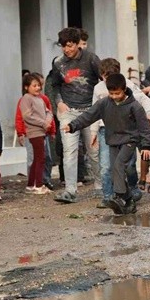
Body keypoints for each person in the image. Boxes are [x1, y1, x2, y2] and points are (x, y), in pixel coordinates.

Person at [64, 74, 150, 215]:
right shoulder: (104, 103)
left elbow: (144, 127)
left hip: (129, 141)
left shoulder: (135, 106)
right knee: (113, 171)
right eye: (111, 93)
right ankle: (128, 199)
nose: (114, 96)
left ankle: (118, 196)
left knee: (118, 165)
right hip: (113, 141)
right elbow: (89, 116)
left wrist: (147, 146)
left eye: (117, 93)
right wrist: (73, 125)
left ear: (124, 89)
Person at [93, 58, 150, 208]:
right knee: (107, 165)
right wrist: (93, 132)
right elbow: (94, 110)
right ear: (102, 76)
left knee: (128, 165)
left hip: (126, 131)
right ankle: (109, 196)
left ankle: (132, 188)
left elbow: (143, 99)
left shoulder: (128, 85)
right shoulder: (98, 89)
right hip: (105, 130)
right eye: (106, 76)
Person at [51, 27, 101, 203]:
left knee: (94, 151)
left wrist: (100, 106)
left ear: (78, 44)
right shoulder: (58, 63)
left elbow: (104, 81)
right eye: (63, 46)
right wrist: (59, 102)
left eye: (70, 45)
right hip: (68, 111)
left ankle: (101, 188)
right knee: (69, 151)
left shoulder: (91, 59)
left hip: (90, 111)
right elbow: (54, 85)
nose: (66, 50)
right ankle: (70, 191)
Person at [15, 73, 57, 190]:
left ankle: (31, 184)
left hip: (43, 132)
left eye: (39, 85)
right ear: (26, 87)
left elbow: (48, 111)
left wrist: (48, 123)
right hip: (34, 132)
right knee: (40, 158)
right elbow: (27, 116)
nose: (38, 88)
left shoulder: (40, 99)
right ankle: (38, 185)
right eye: (34, 85)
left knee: (39, 158)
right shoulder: (26, 99)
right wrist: (43, 123)